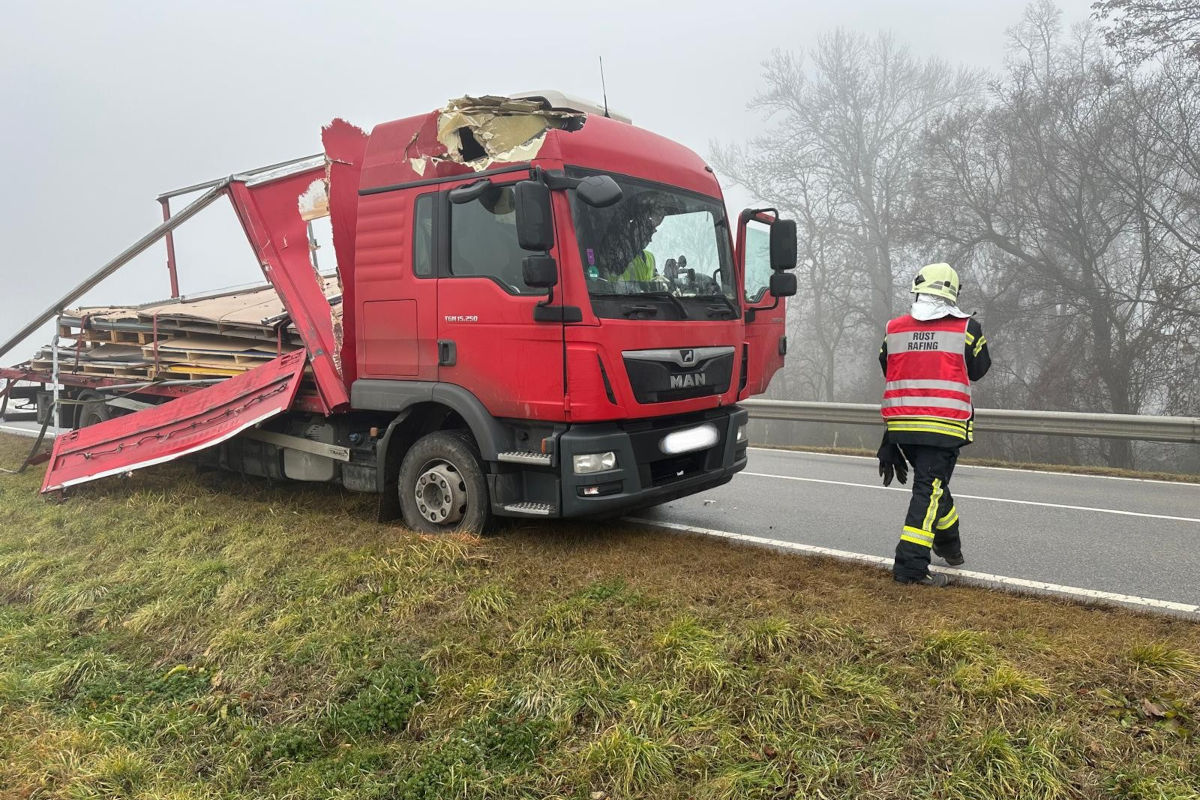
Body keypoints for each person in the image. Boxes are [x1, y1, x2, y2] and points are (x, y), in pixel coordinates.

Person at [877, 263, 991, 587]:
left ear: (918, 290)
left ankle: (949, 546)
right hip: (943, 428)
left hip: (902, 428)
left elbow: (888, 367)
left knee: (933, 486)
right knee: (928, 489)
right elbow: (980, 368)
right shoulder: (967, 329)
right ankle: (910, 567)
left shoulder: (894, 328)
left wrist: (889, 438)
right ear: (953, 294)